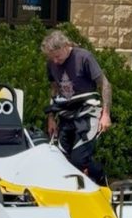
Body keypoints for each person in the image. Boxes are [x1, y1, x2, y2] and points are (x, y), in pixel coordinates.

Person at [41, 30, 111, 184]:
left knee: (79, 159)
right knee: (60, 158)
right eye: (52, 58)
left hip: (87, 113)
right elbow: (54, 89)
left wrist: (106, 114)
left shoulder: (83, 57)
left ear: (66, 46)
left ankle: (99, 177)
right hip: (66, 114)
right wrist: (51, 118)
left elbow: (105, 84)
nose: (56, 61)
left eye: (58, 56)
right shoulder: (52, 63)